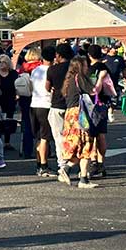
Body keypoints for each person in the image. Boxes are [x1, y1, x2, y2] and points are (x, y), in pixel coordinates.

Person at [58, 56, 98, 189]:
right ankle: (81, 178)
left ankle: (72, 172)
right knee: (86, 145)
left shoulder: (69, 80)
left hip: (70, 115)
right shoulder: (80, 78)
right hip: (80, 115)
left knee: (78, 147)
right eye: (85, 65)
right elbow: (93, 91)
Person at [87, 44, 114, 178]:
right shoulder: (105, 68)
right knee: (101, 134)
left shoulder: (89, 70)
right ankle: (101, 162)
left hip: (91, 103)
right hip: (103, 102)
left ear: (89, 55)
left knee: (91, 134)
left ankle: (93, 161)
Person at [46, 43, 73, 177]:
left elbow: (47, 87)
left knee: (59, 137)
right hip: (72, 104)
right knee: (74, 135)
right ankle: (75, 162)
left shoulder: (52, 69)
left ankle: (62, 164)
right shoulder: (74, 68)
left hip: (57, 104)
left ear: (58, 55)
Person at [29, 46, 55, 177]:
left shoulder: (35, 71)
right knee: (45, 137)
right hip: (46, 104)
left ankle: (39, 164)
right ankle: (44, 166)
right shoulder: (52, 71)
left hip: (34, 103)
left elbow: (31, 86)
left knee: (39, 137)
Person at [16, 47, 42, 159]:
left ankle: (27, 150)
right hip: (38, 97)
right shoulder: (40, 67)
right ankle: (42, 149)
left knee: (27, 124)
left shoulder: (23, 67)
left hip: (24, 97)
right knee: (41, 124)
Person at [0, 54, 18, 151]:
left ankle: (7, 142)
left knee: (9, 121)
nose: (2, 64)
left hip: (10, 99)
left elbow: (17, 85)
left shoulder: (13, 74)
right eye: (0, 62)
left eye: (4, 62)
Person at [104, 44, 126, 122]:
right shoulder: (104, 58)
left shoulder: (119, 58)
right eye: (115, 48)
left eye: (117, 48)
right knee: (106, 99)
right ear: (110, 49)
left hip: (116, 81)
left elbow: (124, 70)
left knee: (114, 99)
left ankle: (111, 112)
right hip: (106, 82)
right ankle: (106, 112)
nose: (116, 50)